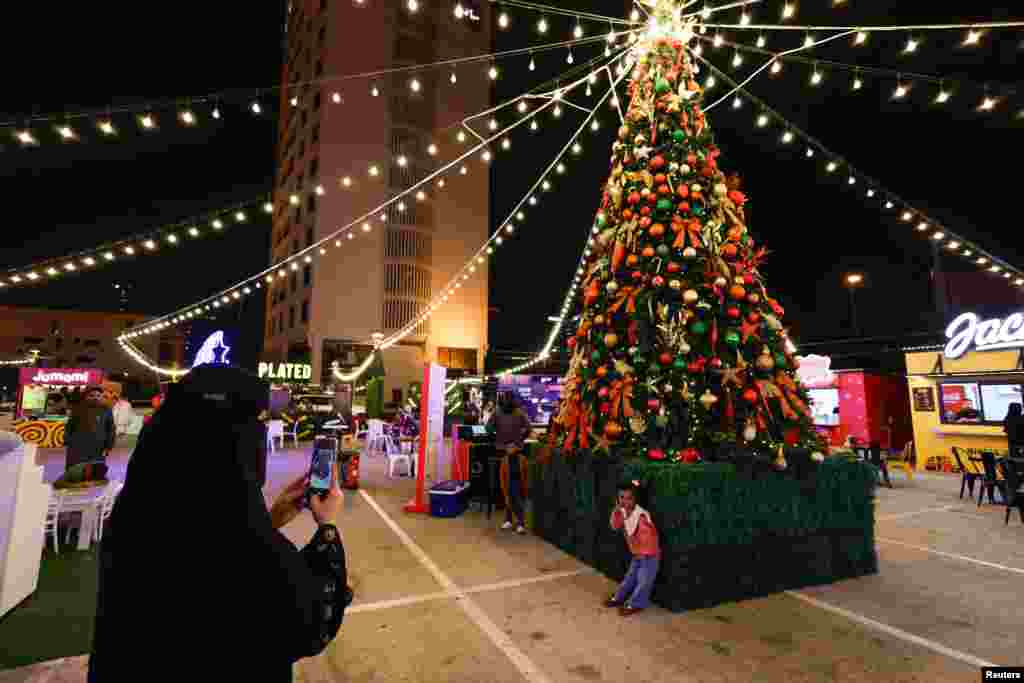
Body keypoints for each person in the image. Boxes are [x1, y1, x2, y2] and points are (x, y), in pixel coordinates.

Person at [88, 365, 352, 682]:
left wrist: (271, 519)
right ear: (232, 438)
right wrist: (327, 527)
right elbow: (309, 619)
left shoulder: (135, 515)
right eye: (256, 422)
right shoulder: (240, 541)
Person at [605, 480, 660, 616]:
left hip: (649, 555)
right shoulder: (623, 512)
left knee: (644, 581)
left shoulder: (640, 516)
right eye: (621, 497)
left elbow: (649, 538)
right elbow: (615, 526)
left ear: (636, 500)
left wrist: (644, 553)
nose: (624, 501)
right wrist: (616, 512)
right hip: (637, 554)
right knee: (630, 577)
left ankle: (636, 603)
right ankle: (619, 597)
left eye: (629, 498)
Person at [488, 395, 531, 534]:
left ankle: (515, 521)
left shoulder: (508, 412)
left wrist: (500, 439)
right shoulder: (514, 412)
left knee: (512, 487)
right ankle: (512, 520)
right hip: (507, 452)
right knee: (508, 487)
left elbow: (488, 428)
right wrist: (519, 440)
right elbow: (528, 429)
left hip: (510, 452)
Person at [64, 385, 115, 470]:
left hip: (98, 447)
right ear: (85, 396)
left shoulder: (106, 410)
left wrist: (108, 446)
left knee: (94, 470)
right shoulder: (78, 409)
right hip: (77, 446)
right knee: (76, 470)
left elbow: (111, 429)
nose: (95, 398)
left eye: (98, 396)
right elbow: (69, 427)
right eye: (91, 395)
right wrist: (68, 441)